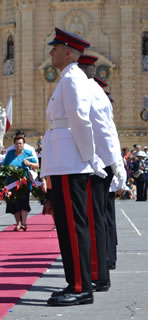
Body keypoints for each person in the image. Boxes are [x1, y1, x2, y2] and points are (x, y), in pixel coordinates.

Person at [41, 27, 103, 306]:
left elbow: (80, 119)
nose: (51, 53)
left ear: (68, 51)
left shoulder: (73, 78)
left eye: (55, 48)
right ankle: (74, 282)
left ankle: (80, 286)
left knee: (73, 225)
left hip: (71, 162)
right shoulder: (67, 78)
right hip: (62, 161)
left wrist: (88, 157)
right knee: (66, 226)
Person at [77, 54, 125, 293]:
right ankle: (103, 265)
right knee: (102, 217)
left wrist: (113, 166)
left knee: (96, 218)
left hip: (95, 165)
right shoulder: (93, 91)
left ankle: (101, 269)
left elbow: (104, 133)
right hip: (101, 163)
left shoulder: (89, 92)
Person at [2, 135, 38, 231]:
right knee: (14, 203)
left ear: (23, 144)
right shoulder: (10, 154)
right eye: (17, 144)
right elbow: (4, 166)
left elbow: (37, 165)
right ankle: (18, 223)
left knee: (24, 202)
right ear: (14, 144)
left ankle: (24, 223)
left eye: (20, 144)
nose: (19, 146)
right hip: (11, 183)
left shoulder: (28, 153)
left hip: (24, 183)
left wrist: (29, 164)